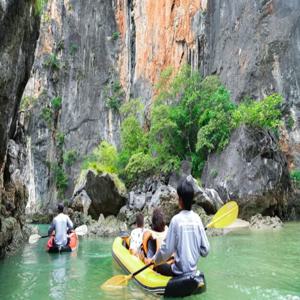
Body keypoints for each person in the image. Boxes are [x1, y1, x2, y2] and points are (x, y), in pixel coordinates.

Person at [145, 175, 210, 276]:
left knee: (159, 266)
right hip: (193, 271)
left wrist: (153, 260)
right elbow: (205, 251)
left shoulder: (176, 220)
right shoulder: (197, 219)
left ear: (180, 200)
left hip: (178, 272)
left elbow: (166, 250)